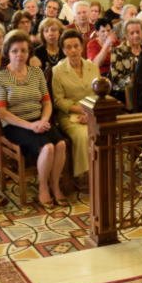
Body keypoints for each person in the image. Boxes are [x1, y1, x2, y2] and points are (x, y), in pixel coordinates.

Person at [0, 29, 69, 205]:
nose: (19, 54)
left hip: (39, 120)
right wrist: (30, 125)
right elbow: (1, 112)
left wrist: (43, 121)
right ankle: (43, 187)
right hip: (14, 125)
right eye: (15, 51)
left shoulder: (37, 73)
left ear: (29, 53)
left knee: (60, 144)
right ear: (8, 53)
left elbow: (47, 103)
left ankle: (55, 185)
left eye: (24, 50)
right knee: (48, 147)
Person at [51, 28, 99, 192]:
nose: (73, 50)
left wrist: (89, 112)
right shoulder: (57, 71)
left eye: (76, 46)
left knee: (104, 131)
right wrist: (80, 110)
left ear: (82, 47)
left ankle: (101, 170)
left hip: (92, 112)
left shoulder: (93, 67)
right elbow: (58, 100)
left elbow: (98, 94)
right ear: (63, 50)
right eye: (68, 47)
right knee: (83, 135)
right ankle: (85, 176)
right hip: (69, 116)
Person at [110, 19, 142, 103]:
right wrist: (136, 83)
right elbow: (116, 78)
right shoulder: (118, 51)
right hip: (126, 90)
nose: (136, 35)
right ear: (126, 35)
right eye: (132, 33)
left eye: (138, 32)